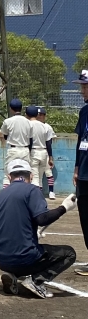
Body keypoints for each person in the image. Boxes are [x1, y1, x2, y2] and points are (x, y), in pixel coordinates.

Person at [0, 159, 76, 299]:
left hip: (1, 259)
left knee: (25, 251)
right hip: (24, 257)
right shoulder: (32, 190)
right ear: (30, 176)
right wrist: (64, 207)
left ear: (9, 177)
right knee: (69, 253)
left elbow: (8, 224)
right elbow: (42, 219)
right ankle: (36, 281)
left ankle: (13, 275)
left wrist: (31, 232)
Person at [72, 69, 88, 276]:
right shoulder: (84, 112)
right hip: (84, 173)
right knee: (85, 216)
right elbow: (80, 141)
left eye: (85, 86)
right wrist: (76, 167)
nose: (82, 91)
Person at [0, 98, 33, 188]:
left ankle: (6, 194)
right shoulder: (28, 122)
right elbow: (31, 139)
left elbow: (5, 136)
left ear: (11, 108)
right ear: (21, 108)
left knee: (8, 173)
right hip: (25, 149)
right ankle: (26, 193)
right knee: (26, 173)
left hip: (13, 149)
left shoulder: (7, 121)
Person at [26, 105, 54, 194]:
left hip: (34, 151)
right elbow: (48, 143)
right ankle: (39, 195)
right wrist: (50, 157)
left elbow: (29, 141)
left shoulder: (28, 124)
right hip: (43, 152)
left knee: (35, 177)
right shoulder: (45, 126)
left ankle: (36, 196)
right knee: (40, 177)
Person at [37, 107, 56, 199]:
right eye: (38, 114)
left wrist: (50, 156)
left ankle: (51, 191)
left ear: (44, 116)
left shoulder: (47, 127)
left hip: (45, 151)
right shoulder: (33, 125)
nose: (39, 116)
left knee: (48, 172)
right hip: (35, 151)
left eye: (41, 115)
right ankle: (39, 193)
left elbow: (49, 143)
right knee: (38, 175)